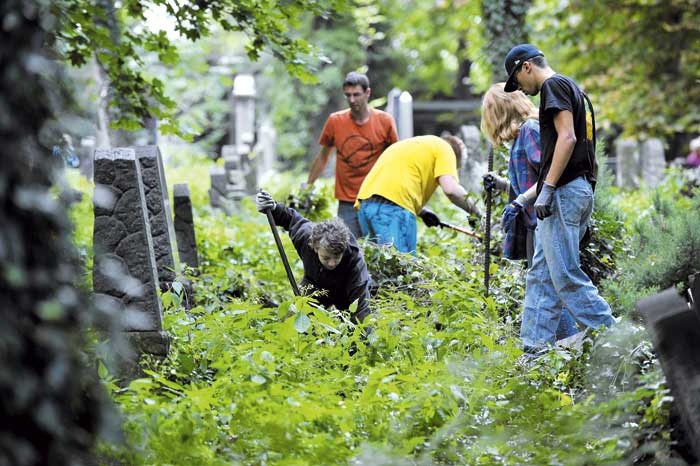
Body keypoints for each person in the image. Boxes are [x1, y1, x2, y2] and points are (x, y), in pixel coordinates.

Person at [503, 44, 614, 351]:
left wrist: (549, 189)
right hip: (575, 189)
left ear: (526, 66)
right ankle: (534, 351)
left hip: (563, 193)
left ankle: (620, 340)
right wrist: (534, 195)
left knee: (565, 275)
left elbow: (568, 138)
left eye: (518, 81)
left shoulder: (553, 86)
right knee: (541, 275)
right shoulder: (575, 90)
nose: (521, 91)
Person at [480, 82, 578, 340]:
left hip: (547, 219)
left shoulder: (531, 131)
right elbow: (527, 182)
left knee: (551, 288)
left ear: (497, 113)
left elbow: (549, 177)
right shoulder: (523, 135)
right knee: (546, 287)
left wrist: (519, 201)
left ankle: (570, 344)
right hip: (536, 223)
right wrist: (501, 185)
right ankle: (557, 350)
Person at [304, 71, 398, 238]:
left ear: (367, 93)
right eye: (348, 95)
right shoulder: (335, 121)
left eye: (356, 95)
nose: (352, 100)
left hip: (377, 197)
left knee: (380, 250)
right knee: (349, 250)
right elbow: (323, 157)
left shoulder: (385, 121)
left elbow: (395, 160)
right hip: (348, 200)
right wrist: (308, 185)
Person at [255, 190, 372, 325]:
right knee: (298, 322)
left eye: (337, 257)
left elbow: (361, 307)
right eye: (326, 258)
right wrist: (273, 207)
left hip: (345, 291)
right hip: (314, 284)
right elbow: (290, 218)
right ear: (315, 248)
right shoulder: (305, 236)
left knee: (352, 324)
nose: (332, 263)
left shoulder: (354, 261)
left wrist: (365, 338)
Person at [355, 135, 482, 255]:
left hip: (366, 205)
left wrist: (423, 212)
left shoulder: (419, 145)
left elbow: (393, 184)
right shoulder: (446, 149)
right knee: (400, 269)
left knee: (378, 267)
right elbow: (451, 189)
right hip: (393, 211)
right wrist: (477, 213)